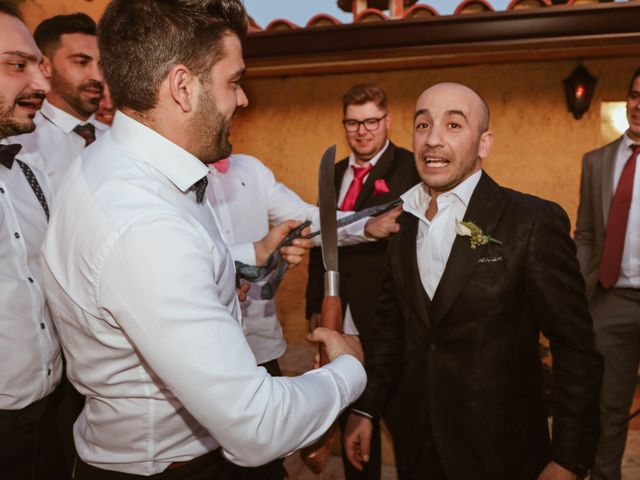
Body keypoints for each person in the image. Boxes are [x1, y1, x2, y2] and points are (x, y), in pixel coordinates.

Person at [40, 1, 366, 478]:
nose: (243, 100)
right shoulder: (145, 223)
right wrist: (348, 369)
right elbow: (257, 425)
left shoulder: (116, 167)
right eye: (234, 81)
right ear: (182, 87)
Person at [343, 82, 603, 480]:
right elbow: (391, 331)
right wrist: (366, 408)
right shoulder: (402, 221)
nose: (433, 140)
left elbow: (576, 348)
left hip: (502, 452)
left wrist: (570, 457)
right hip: (418, 445)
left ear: (484, 143)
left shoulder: (531, 222)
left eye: (453, 125)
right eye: (423, 124)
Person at [206, 152, 401, 479]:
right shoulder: (167, 179)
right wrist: (247, 259)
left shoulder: (251, 169)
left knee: (266, 463)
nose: (241, 99)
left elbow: (308, 220)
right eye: (232, 95)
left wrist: (365, 226)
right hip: (202, 353)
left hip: (258, 345)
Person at [305, 83, 419, 480]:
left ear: (387, 120)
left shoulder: (410, 168)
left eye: (371, 121)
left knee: (404, 426)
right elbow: (319, 242)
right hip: (339, 316)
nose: (362, 131)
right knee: (352, 428)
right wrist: (313, 308)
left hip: (391, 319)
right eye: (353, 123)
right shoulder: (333, 174)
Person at [0, 3, 68, 479]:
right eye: (16, 64)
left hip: (53, 413)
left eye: (38, 66)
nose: (42, 85)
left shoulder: (30, 175)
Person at [575, 67, 640, 480]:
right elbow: (585, 235)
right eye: (635, 95)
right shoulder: (596, 162)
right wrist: (579, 298)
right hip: (612, 300)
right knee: (608, 408)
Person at [18, 13, 107, 190]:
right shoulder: (21, 145)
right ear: (45, 67)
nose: (97, 76)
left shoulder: (115, 137)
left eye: (101, 65)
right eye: (81, 62)